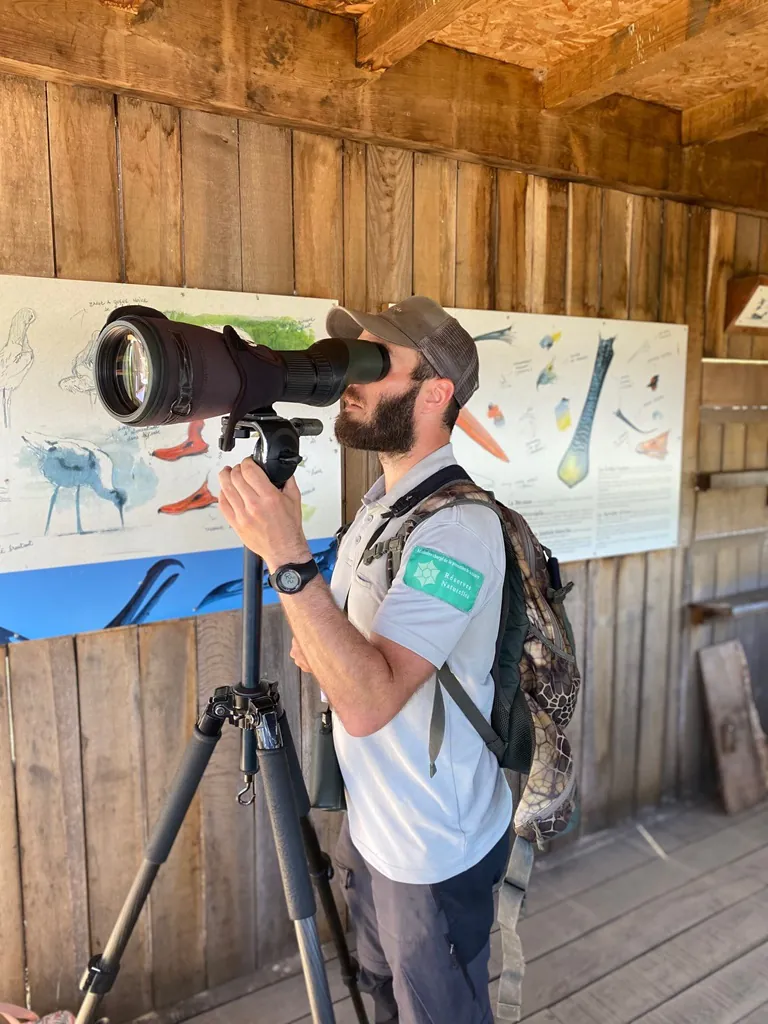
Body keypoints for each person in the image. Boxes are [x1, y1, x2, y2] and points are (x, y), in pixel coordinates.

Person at [218, 296, 511, 1024]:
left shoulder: (459, 530)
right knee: (381, 1000)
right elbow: (348, 656)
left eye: (374, 364)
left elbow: (371, 701)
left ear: (435, 393)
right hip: (373, 826)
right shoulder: (383, 507)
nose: (349, 377)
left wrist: (286, 556)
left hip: (433, 846)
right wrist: (323, 637)